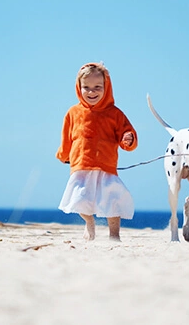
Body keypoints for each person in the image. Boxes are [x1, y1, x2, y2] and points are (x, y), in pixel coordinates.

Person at [56, 62, 138, 241]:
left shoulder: (115, 113)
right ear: (79, 87)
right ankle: (89, 223)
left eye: (97, 87)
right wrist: (63, 155)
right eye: (86, 87)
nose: (91, 92)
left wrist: (128, 139)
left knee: (112, 200)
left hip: (106, 165)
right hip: (80, 164)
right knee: (78, 199)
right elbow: (66, 137)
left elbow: (127, 132)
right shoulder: (73, 112)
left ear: (106, 87)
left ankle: (114, 235)